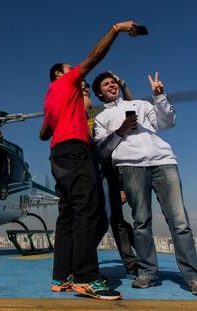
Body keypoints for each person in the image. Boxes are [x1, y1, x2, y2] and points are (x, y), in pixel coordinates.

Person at [39, 21, 139, 300]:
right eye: (72, 69)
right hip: (75, 151)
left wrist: (71, 108)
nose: (78, 74)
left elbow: (43, 133)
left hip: (58, 155)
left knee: (68, 214)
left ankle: (62, 277)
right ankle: (86, 277)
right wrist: (116, 29)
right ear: (60, 73)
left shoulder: (51, 99)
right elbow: (96, 57)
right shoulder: (65, 81)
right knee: (88, 209)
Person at [92, 71, 197, 295]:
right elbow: (101, 151)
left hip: (164, 162)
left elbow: (168, 122)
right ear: (99, 93)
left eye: (114, 82)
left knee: (180, 222)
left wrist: (159, 96)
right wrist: (120, 131)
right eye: (106, 84)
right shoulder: (101, 118)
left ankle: (192, 276)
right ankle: (148, 273)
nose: (112, 85)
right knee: (141, 222)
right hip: (130, 167)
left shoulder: (140, 104)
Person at [85, 76, 139, 276]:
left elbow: (133, 108)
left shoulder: (102, 112)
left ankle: (131, 261)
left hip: (109, 170)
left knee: (116, 218)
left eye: (87, 91)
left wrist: (122, 186)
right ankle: (83, 262)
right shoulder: (74, 115)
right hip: (87, 173)